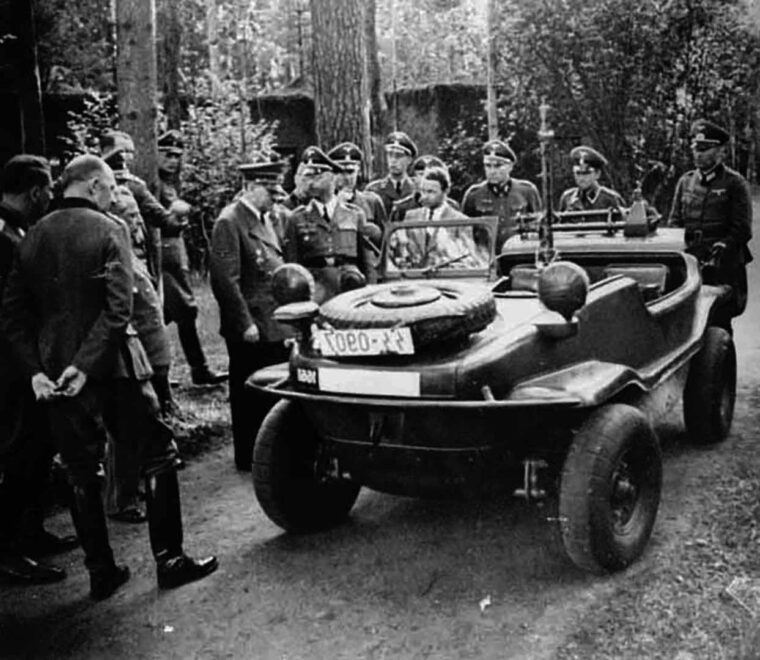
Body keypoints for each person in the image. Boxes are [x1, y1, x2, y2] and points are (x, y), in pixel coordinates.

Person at [1, 154, 218, 600]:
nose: (116, 196)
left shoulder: (30, 237)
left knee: (82, 471)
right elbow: (118, 310)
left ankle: (101, 571)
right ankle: (170, 560)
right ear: (96, 187)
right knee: (157, 454)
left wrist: (38, 373)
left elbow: (13, 318)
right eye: (112, 188)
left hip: (56, 374)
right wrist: (86, 364)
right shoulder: (108, 229)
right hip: (116, 367)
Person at [0, 155, 76, 584]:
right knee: (20, 453)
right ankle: (7, 548)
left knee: (38, 448)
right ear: (34, 191)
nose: (50, 196)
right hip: (13, 369)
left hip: (28, 363)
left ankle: (29, 531)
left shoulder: (19, 230)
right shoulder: (5, 236)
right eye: (48, 189)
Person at [210, 161, 294, 472]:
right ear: (248, 187)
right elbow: (224, 279)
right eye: (269, 190)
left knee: (268, 390)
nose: (274, 197)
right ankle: (250, 455)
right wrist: (243, 322)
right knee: (248, 393)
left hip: (270, 321)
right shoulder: (230, 222)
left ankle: (266, 454)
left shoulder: (263, 219)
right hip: (252, 325)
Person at [105, 186, 175, 523]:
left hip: (149, 355)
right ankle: (122, 499)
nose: (138, 225)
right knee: (125, 432)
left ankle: (136, 487)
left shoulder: (133, 254)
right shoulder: (116, 256)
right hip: (134, 356)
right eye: (131, 218)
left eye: (138, 217)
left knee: (141, 428)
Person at [155, 130, 228, 387]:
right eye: (167, 154)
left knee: (183, 312)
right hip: (162, 255)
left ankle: (194, 369)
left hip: (175, 253)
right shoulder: (152, 183)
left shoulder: (169, 183)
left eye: (177, 156)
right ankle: (165, 371)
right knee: (172, 311)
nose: (173, 160)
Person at [668, 119, 753, 331]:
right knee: (684, 321)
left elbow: (742, 228)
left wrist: (724, 247)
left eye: (705, 149)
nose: (698, 154)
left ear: (720, 152)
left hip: (722, 265)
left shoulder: (734, 183)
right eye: (695, 149)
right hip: (689, 259)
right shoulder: (685, 182)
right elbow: (674, 222)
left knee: (717, 323)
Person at [284, 147, 377, 303]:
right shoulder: (297, 218)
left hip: (351, 290)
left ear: (332, 178)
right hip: (315, 292)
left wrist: (370, 294)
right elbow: (293, 267)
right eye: (309, 175)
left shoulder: (354, 214)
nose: (311, 182)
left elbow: (368, 262)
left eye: (317, 176)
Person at [390, 167, 487, 270]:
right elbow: (403, 252)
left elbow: (467, 259)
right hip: (414, 279)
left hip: (445, 279)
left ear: (446, 191)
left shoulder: (461, 221)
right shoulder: (411, 216)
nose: (425, 196)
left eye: (431, 192)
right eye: (423, 191)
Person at [462, 139, 542, 252]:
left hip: (518, 255)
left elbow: (538, 227)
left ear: (510, 167)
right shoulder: (474, 195)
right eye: (488, 166)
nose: (492, 171)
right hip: (486, 258)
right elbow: (464, 233)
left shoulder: (527, 191)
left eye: (498, 166)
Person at [389, 154, 460, 223]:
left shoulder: (452, 206)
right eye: (421, 174)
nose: (426, 179)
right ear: (414, 179)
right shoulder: (401, 208)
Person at [558, 146, 625, 213]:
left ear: (597, 174)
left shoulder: (610, 198)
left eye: (586, 173)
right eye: (578, 173)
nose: (581, 178)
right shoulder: (567, 198)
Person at [366, 131, 417, 216]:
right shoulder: (373, 190)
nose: (393, 160)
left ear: (409, 160)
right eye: (390, 155)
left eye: (398, 156)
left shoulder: (417, 190)